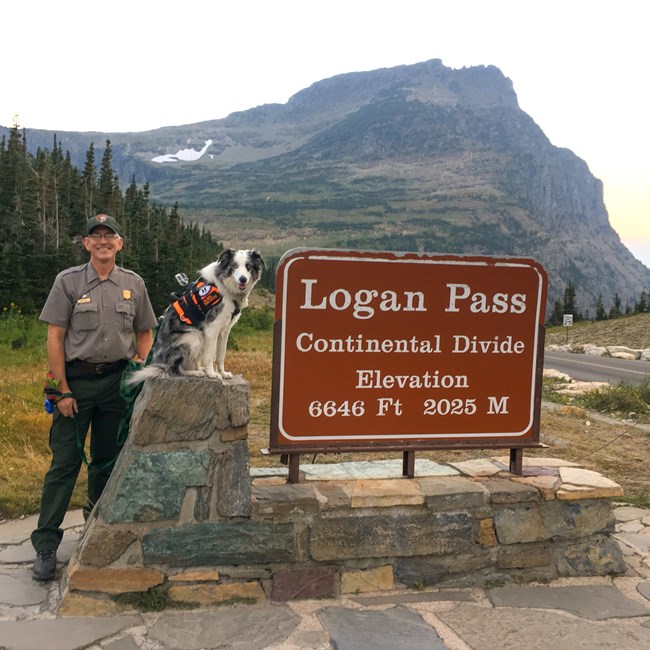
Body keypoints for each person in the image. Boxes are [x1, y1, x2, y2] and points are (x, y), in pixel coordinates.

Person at [31, 214, 158, 581]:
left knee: (105, 462)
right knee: (64, 465)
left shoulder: (133, 284)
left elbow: (144, 333)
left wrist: (138, 366)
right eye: (95, 236)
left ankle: (95, 527)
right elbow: (55, 337)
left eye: (109, 235)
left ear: (119, 243)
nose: (102, 240)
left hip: (116, 386)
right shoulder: (67, 282)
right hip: (77, 385)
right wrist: (61, 390)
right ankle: (46, 544)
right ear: (86, 244)